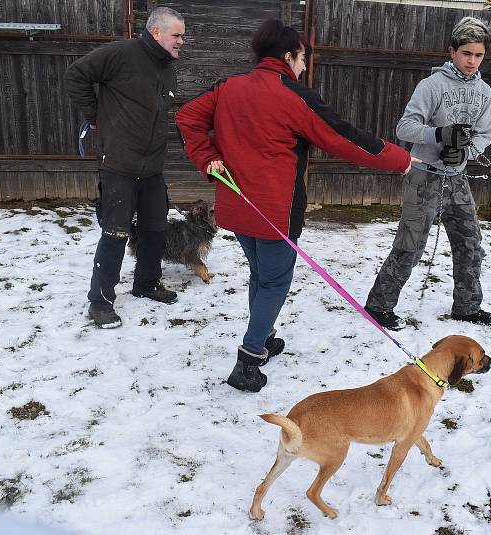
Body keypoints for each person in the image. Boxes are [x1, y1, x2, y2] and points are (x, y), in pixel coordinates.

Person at [176, 19, 419, 392]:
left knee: (261, 276)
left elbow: (187, 116)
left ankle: (264, 335)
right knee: (273, 282)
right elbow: (344, 138)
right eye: (302, 58)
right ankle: (249, 360)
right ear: (288, 56)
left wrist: (207, 156)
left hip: (238, 210)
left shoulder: (227, 87)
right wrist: (398, 159)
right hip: (274, 213)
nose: (303, 67)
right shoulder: (293, 96)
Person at [364, 16, 491, 330]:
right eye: (466, 53)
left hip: (457, 178)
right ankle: (379, 306)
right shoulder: (432, 85)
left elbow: (484, 133)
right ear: (452, 51)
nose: (472, 61)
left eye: (478, 55)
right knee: (410, 244)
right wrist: (440, 136)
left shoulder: (485, 91)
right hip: (423, 175)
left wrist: (466, 151)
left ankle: (467, 307)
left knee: (470, 244)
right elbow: (405, 128)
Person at [64, 7, 185, 329]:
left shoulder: (167, 66)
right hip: (119, 163)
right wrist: (97, 118)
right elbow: (76, 75)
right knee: (116, 233)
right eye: (176, 35)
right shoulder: (120, 54)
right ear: (156, 32)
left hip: (153, 167)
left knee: (155, 229)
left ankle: (146, 283)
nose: (181, 41)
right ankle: (100, 301)